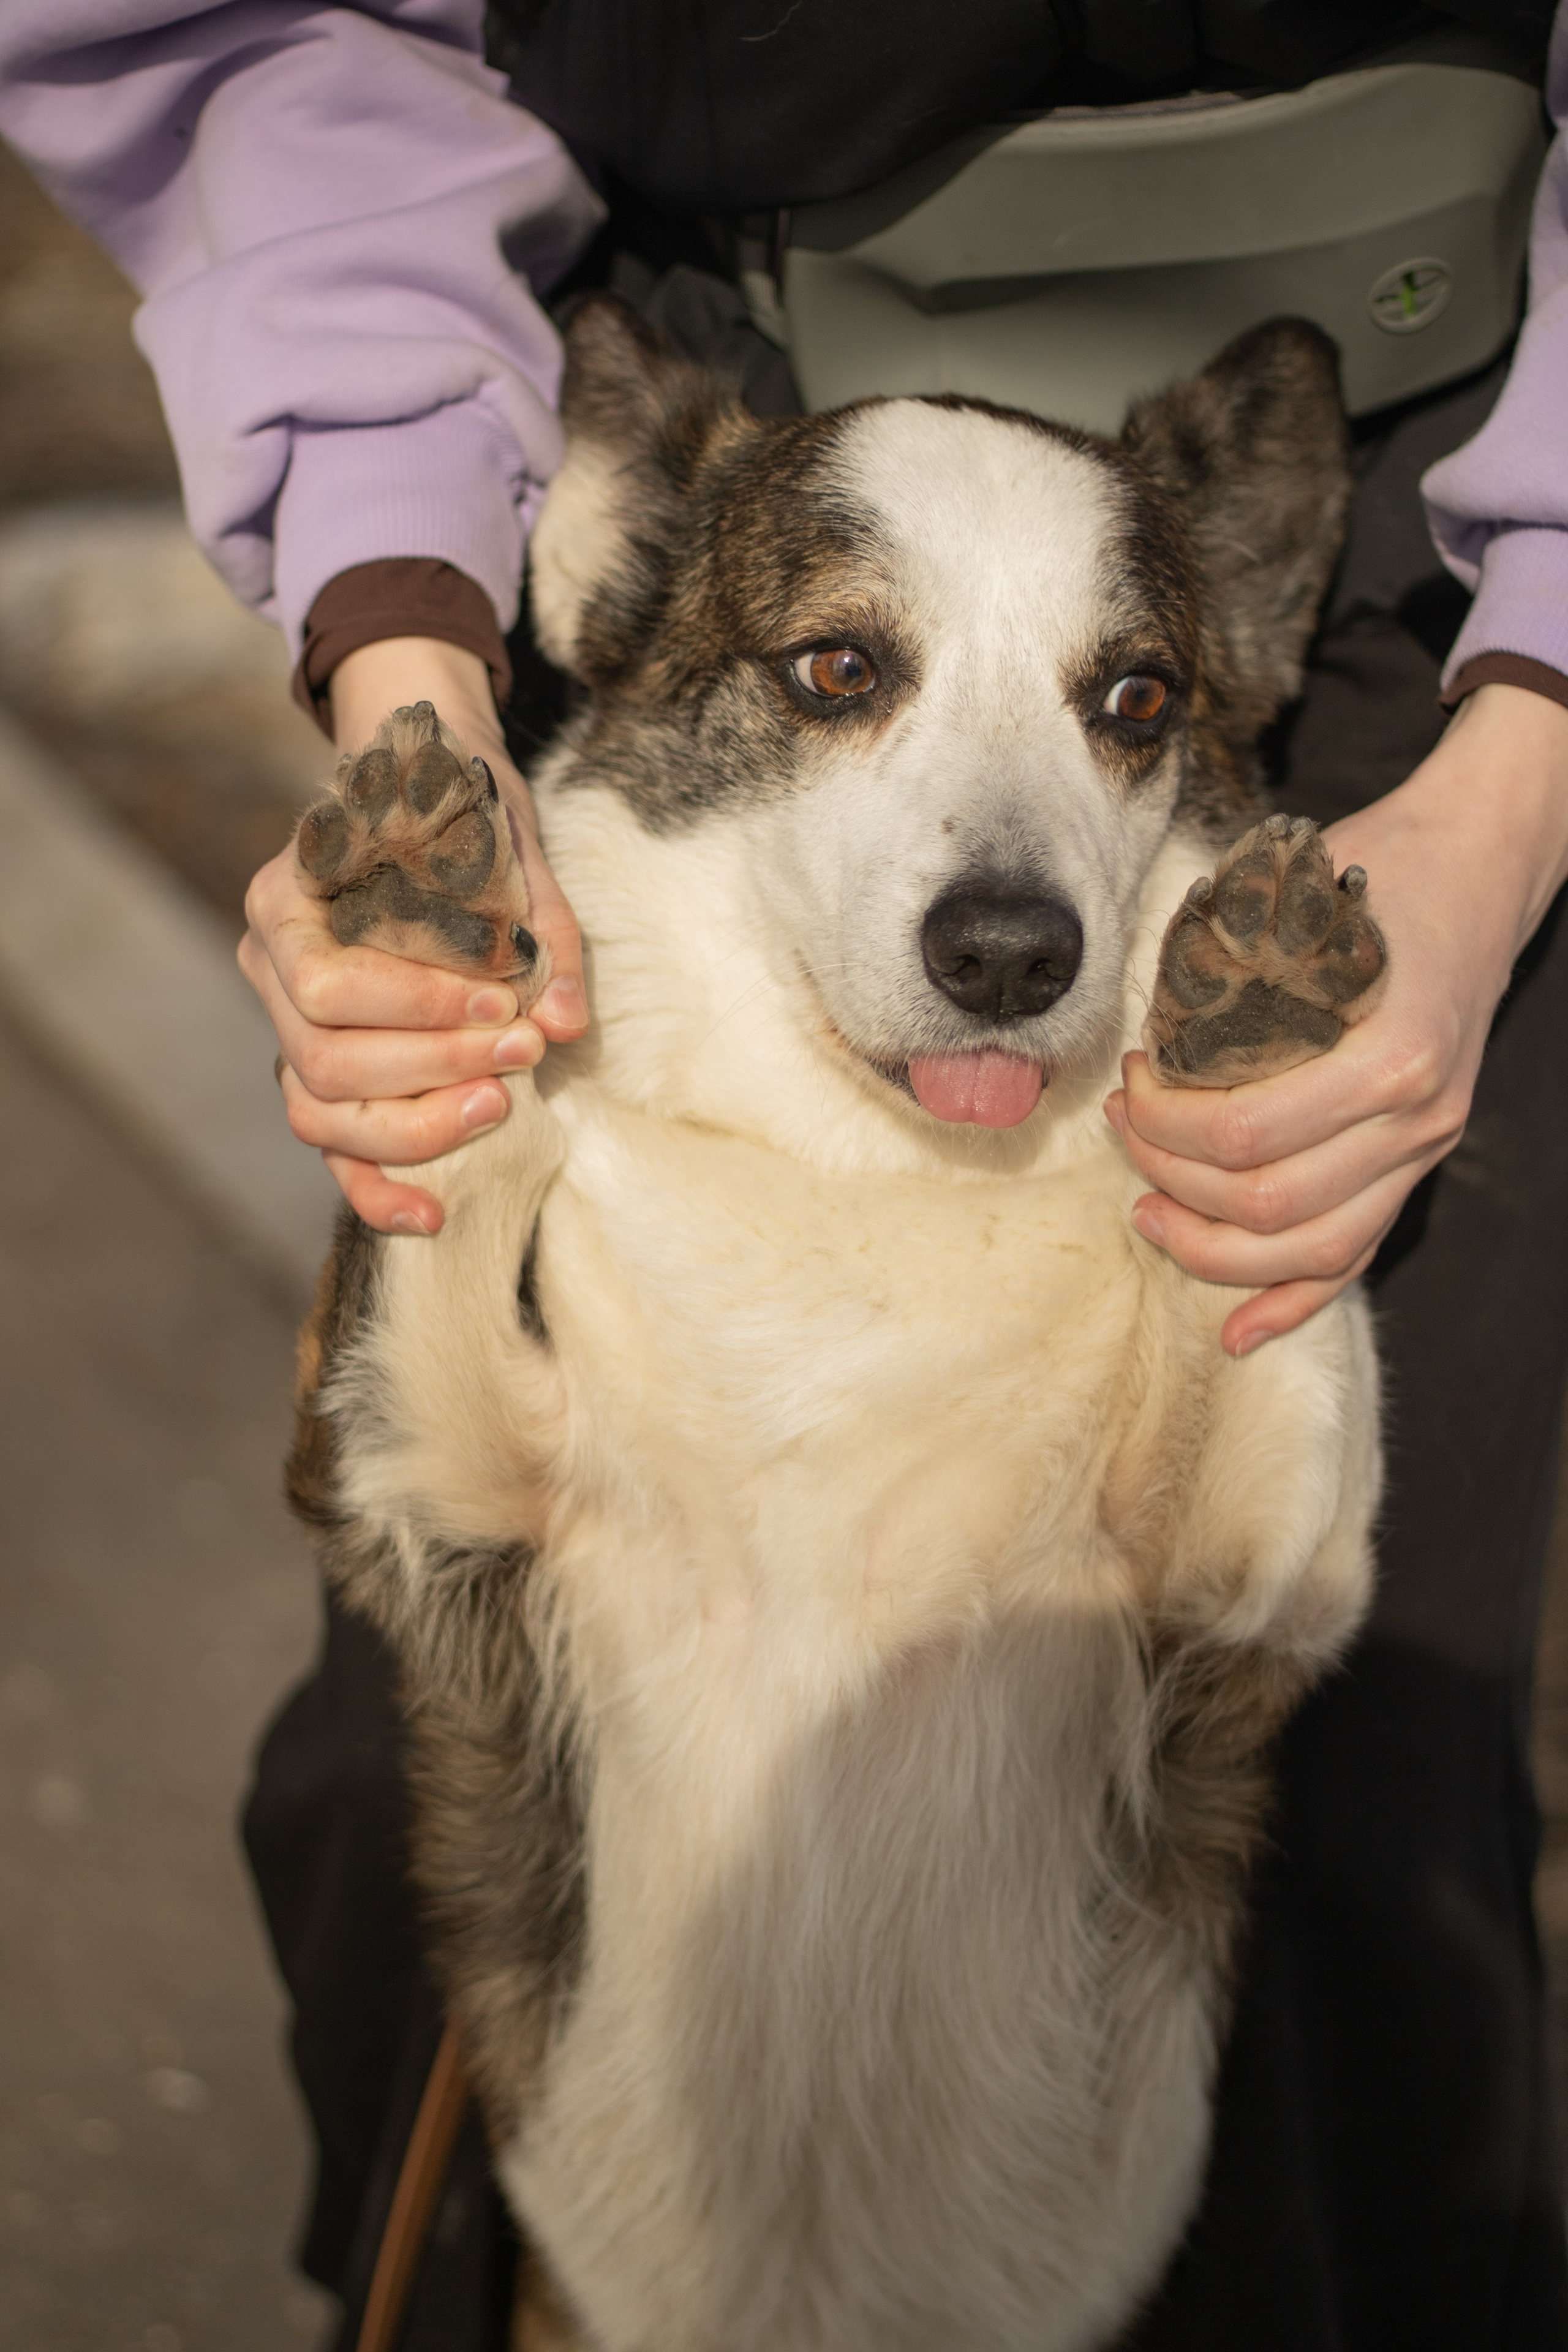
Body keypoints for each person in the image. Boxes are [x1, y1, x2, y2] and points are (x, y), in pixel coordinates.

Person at [4, 4, 1568, 2343]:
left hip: (1450, 611)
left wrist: (1510, 787)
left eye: (1105, 702)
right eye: (853, 680)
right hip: (698, 348)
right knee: (368, 1822)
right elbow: (260, 29)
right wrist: (410, 690)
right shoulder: (672, 586)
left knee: (1362, 1868)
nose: (998, 895)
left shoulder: (1200, 783)